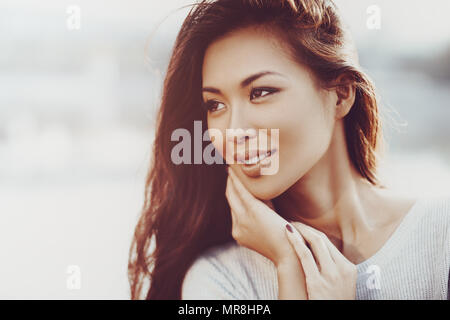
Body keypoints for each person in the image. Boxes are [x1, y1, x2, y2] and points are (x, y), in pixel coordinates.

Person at [128, 0, 450, 299]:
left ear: (340, 94)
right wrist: (288, 264)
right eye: (215, 104)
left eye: (261, 92)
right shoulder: (218, 279)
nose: (234, 131)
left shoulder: (441, 238)